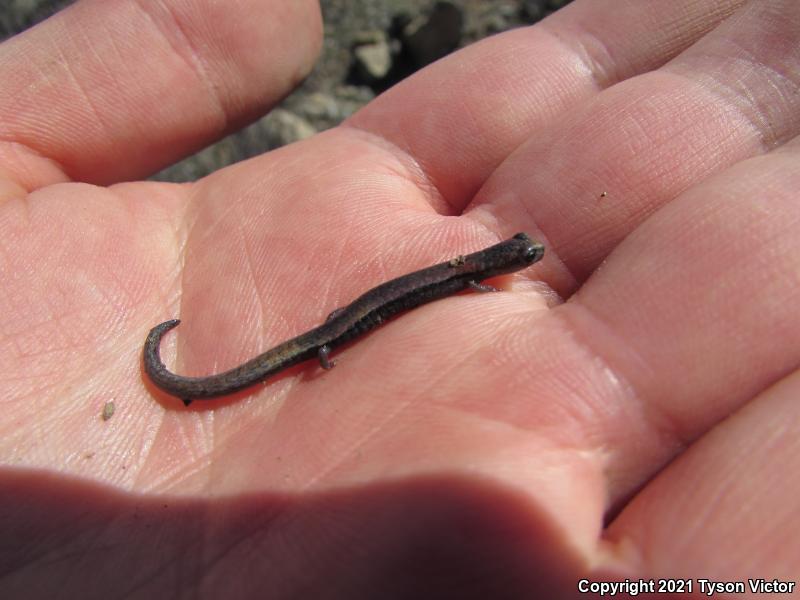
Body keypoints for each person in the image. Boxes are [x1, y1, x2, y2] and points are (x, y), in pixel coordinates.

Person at [1, 0, 798, 597]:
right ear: (502, 263)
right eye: (522, 257)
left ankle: (274, 357)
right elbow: (440, 291)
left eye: (521, 258)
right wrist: (326, 353)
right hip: (322, 339)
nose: (525, 261)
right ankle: (241, 363)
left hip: (323, 337)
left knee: (325, 337)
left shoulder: (473, 271)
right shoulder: (475, 274)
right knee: (319, 342)